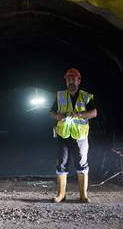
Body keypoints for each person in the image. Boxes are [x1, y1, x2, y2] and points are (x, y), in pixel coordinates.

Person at [49, 68, 97, 203]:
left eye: (73, 79)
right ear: (66, 81)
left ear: (79, 81)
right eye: (68, 79)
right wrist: (58, 116)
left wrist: (80, 114)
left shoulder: (86, 96)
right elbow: (51, 112)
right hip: (63, 135)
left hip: (80, 136)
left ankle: (83, 195)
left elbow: (94, 113)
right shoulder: (60, 96)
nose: (71, 81)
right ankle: (61, 195)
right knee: (61, 164)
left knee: (81, 163)